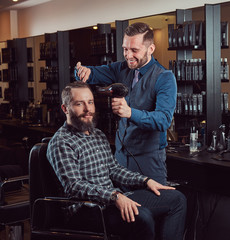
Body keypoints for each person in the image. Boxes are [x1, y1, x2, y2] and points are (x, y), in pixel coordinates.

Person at [47, 81, 186, 240]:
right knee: (142, 217)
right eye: (80, 104)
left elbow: (113, 169)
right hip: (85, 209)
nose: (88, 109)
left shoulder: (97, 134)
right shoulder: (61, 142)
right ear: (65, 108)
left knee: (177, 200)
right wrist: (114, 196)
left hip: (112, 201)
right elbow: (74, 186)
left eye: (90, 102)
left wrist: (146, 181)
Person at [75, 22, 177, 185]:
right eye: (125, 49)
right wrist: (83, 71)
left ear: (151, 49)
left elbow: (163, 120)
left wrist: (130, 112)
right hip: (119, 162)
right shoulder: (121, 69)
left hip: (149, 164)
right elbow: (93, 72)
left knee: (148, 209)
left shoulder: (164, 77)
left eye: (134, 50)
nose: (128, 55)